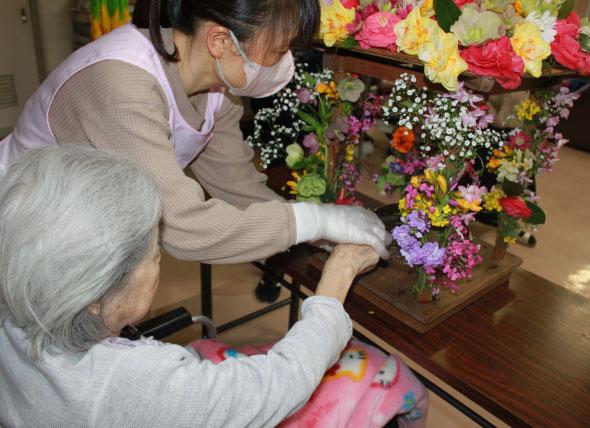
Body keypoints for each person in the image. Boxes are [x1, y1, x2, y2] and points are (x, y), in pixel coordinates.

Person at [0, 147, 427, 427]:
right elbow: (282, 383)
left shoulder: (15, 311)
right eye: (153, 254)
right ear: (94, 298)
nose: (160, 261)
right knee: (378, 372)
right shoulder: (130, 386)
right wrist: (338, 276)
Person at [0, 0, 390, 267]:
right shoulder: (121, 83)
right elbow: (181, 227)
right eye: (279, 48)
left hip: (84, 222)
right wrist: (314, 220)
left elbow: (238, 189)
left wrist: (315, 231)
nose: (283, 62)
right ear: (220, 41)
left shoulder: (216, 90)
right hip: (24, 228)